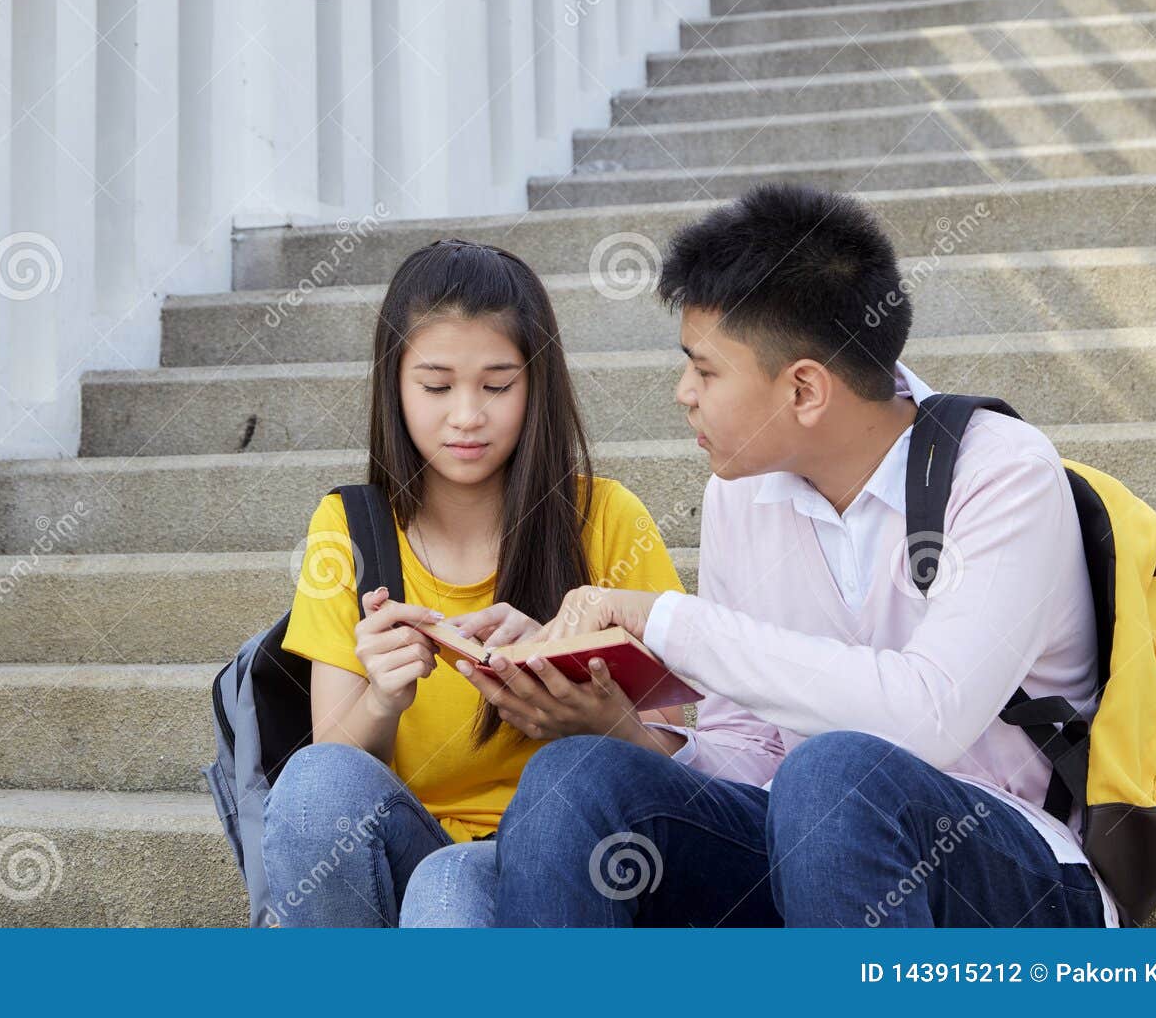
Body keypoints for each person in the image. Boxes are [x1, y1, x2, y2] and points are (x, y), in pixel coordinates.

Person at [473, 182, 1119, 928]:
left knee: (834, 774)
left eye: (706, 370)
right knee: (572, 781)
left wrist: (665, 620)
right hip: (810, 849)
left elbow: (928, 716)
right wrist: (619, 724)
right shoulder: (741, 492)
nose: (683, 392)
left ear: (805, 389)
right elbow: (748, 749)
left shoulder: (1001, 472)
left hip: (1009, 869)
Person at [262, 237, 687, 927]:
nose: (466, 416)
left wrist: (592, 716)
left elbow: (680, 774)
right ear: (394, 385)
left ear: (535, 383)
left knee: (450, 889)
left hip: (561, 860)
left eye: (496, 386)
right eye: (435, 386)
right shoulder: (350, 527)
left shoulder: (607, 519)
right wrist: (383, 697)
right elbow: (330, 784)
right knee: (319, 790)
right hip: (403, 848)